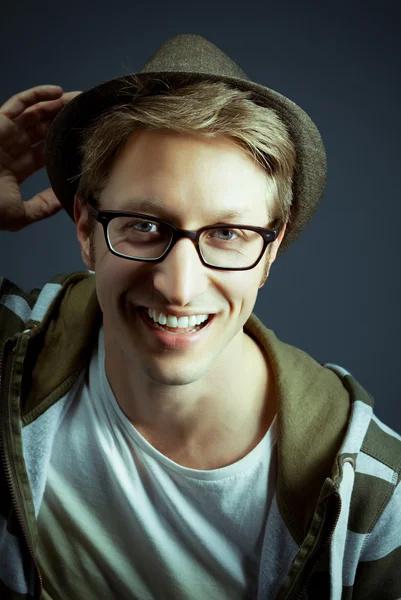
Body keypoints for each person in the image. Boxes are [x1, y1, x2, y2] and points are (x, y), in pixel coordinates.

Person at [0, 34, 400, 600]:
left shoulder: (374, 497)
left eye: (228, 233)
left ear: (271, 250)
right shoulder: (9, 353)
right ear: (87, 229)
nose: (179, 288)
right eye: (143, 225)